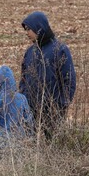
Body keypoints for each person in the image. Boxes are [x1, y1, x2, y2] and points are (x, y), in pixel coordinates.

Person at [20, 11, 76, 139]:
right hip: (30, 110)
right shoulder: (30, 52)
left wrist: (61, 105)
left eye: (29, 29)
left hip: (53, 111)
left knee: (53, 145)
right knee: (31, 145)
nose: (27, 33)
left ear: (39, 27)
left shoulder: (59, 50)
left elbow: (69, 80)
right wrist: (23, 99)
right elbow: (24, 78)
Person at [0, 65, 34, 149]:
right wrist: (30, 136)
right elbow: (28, 119)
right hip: (19, 138)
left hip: (1, 141)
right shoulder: (21, 98)